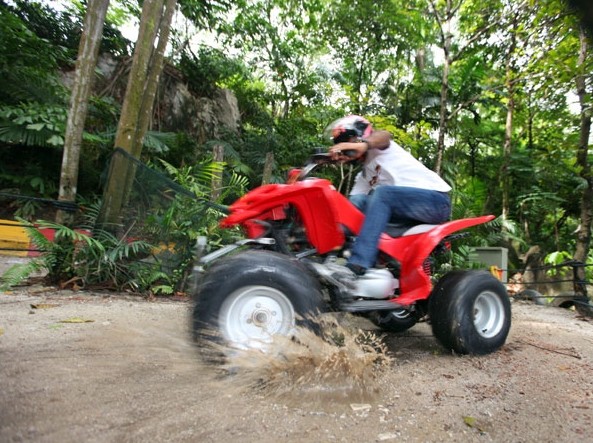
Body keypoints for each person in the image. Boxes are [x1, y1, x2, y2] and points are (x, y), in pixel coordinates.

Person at [326, 115, 452, 277]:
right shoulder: (363, 176)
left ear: (361, 135)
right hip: (406, 210)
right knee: (357, 202)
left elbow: (384, 135)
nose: (345, 147)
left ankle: (359, 263)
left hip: (435, 201)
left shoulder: (382, 147)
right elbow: (350, 208)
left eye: (347, 141)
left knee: (383, 193)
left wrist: (363, 145)